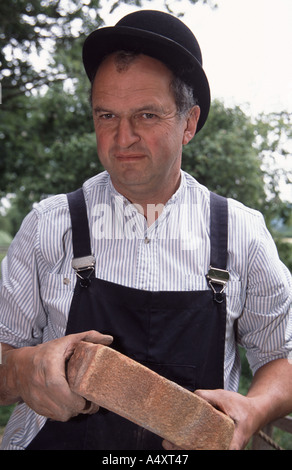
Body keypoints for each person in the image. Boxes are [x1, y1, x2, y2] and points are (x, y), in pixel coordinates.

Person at [0, 10, 291, 451]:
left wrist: (253, 408)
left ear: (189, 123)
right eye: (106, 115)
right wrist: (22, 371)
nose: (122, 138)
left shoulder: (240, 234)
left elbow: (281, 359)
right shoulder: (49, 226)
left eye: (147, 116)